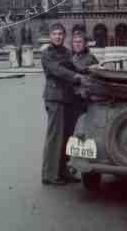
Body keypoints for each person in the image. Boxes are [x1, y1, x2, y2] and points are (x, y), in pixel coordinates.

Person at [41, 25, 87, 185]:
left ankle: (64, 171)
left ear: (64, 36)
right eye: (54, 34)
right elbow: (58, 71)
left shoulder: (67, 52)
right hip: (54, 98)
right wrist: (77, 77)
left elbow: (76, 67)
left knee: (66, 138)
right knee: (55, 137)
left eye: (60, 34)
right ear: (50, 36)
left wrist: (91, 70)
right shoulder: (46, 54)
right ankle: (50, 175)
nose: (58, 37)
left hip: (68, 99)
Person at [70, 32, 98, 130]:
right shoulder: (73, 57)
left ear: (85, 44)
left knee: (82, 128)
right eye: (74, 42)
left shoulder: (90, 58)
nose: (77, 44)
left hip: (85, 99)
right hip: (73, 99)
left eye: (79, 42)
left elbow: (94, 78)